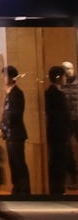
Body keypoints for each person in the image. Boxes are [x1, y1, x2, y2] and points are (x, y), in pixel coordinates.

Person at [0, 65, 31, 198]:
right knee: (13, 163)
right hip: (10, 134)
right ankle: (17, 188)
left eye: (6, 75)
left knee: (18, 162)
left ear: (12, 77)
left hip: (16, 134)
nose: (3, 78)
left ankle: (24, 190)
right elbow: (5, 114)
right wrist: (1, 127)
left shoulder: (17, 93)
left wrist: (4, 128)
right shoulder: (10, 93)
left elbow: (14, 115)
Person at [47, 65, 75, 198]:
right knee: (58, 162)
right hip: (58, 135)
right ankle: (58, 190)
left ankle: (59, 188)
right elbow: (60, 116)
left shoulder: (55, 93)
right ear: (58, 77)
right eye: (64, 75)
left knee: (61, 161)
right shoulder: (55, 94)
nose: (65, 78)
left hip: (60, 134)